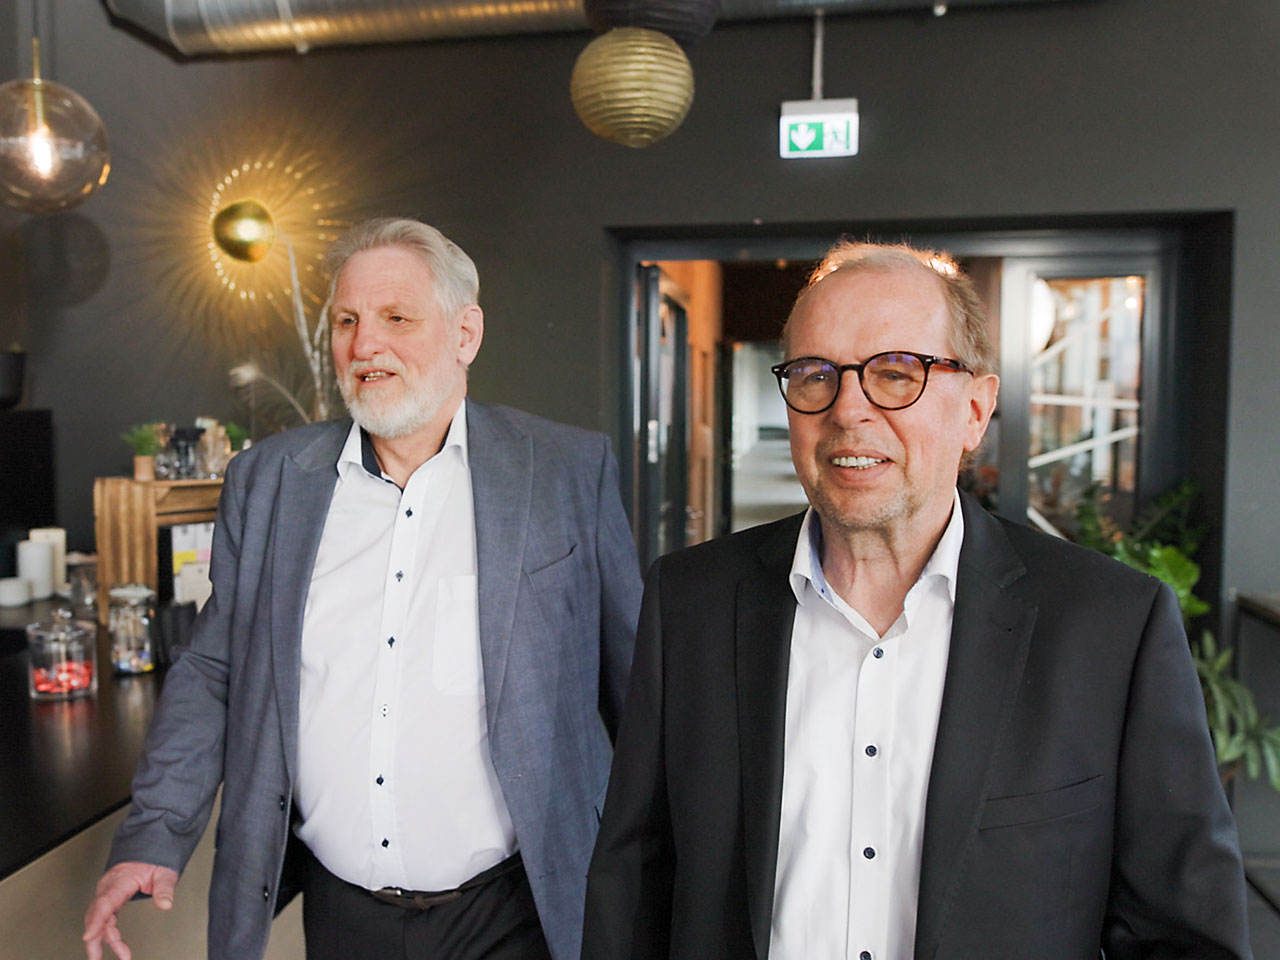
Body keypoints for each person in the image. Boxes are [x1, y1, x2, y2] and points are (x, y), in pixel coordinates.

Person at [582, 240, 1251, 960]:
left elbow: (1182, 935)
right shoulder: (690, 602)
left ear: (975, 409)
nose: (848, 410)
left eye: (895, 374)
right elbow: (634, 882)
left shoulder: (1111, 626)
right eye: (814, 375)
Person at [84, 218, 642, 960]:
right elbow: (215, 671)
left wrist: (668, 868)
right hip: (346, 914)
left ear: (465, 333)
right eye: (346, 320)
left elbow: (635, 685)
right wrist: (154, 832)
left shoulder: (567, 470)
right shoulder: (270, 481)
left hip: (519, 908)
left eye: (396, 318)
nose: (364, 344)